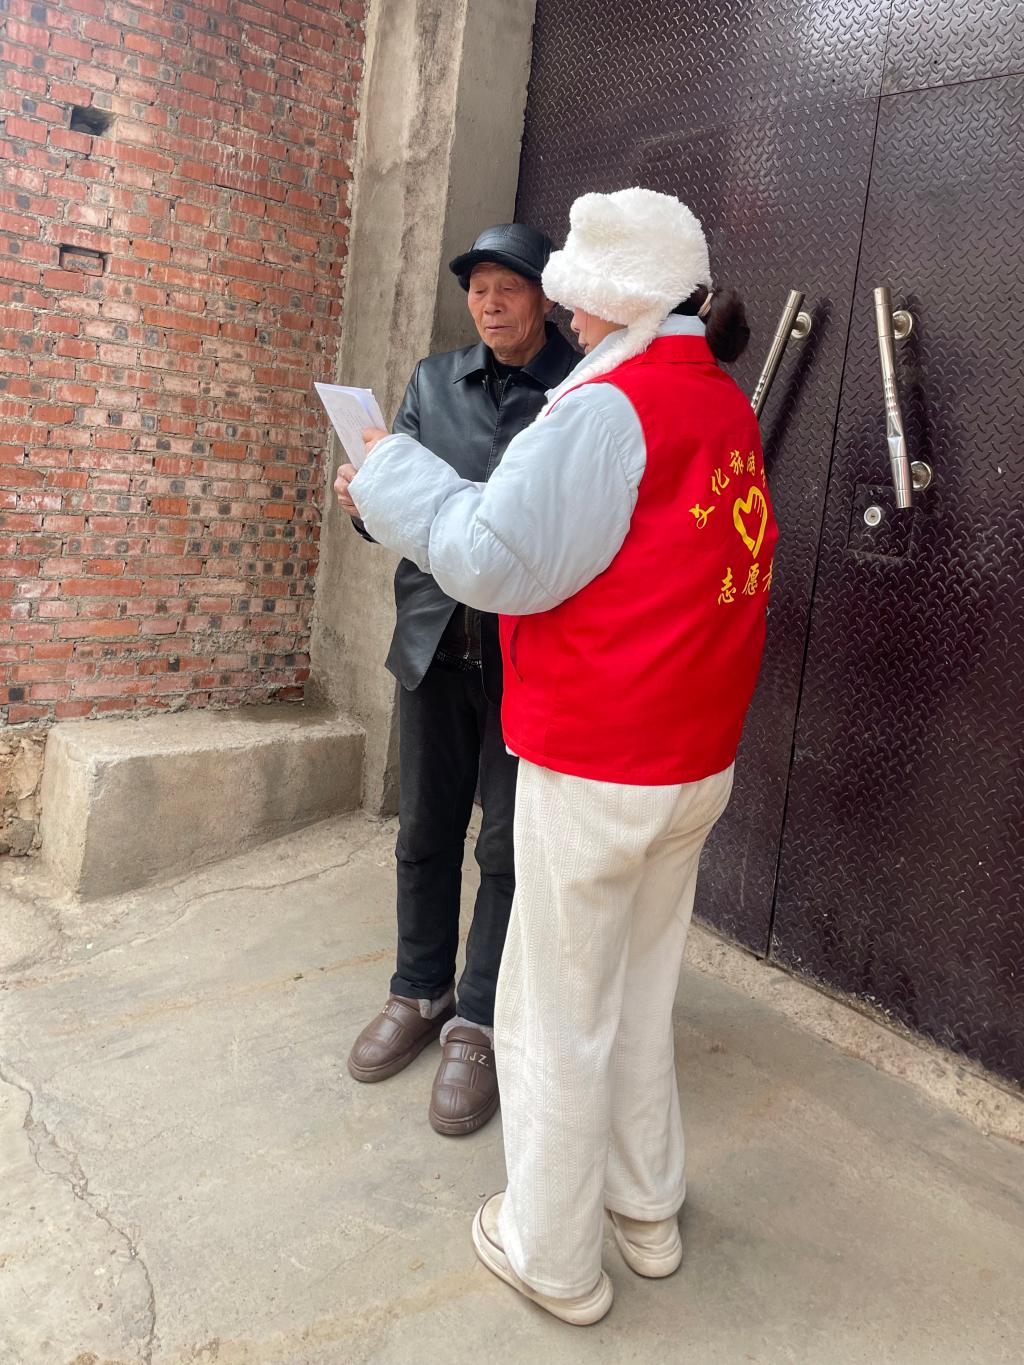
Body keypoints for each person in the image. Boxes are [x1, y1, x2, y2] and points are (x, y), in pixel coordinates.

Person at [340, 187, 778, 1323]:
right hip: (690, 758)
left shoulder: (605, 408)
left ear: (612, 301)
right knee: (637, 988)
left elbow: (495, 558)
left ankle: (551, 1250)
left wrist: (386, 473)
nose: (564, 315)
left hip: (601, 757)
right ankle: (645, 1205)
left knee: (552, 1007)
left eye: (574, 295)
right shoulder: (717, 400)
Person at [336, 224, 578, 1137]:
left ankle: (479, 1018)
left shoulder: (579, 390)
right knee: (426, 828)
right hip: (435, 643)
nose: (489, 303)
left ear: (544, 296)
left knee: (507, 844)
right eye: (477, 288)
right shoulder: (433, 383)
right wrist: (363, 504)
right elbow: (390, 504)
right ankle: (419, 988)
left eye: (507, 286)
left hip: (533, 657)